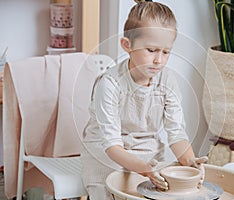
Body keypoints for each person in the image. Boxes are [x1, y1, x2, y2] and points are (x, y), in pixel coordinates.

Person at [81, 1, 208, 199]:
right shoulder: (110, 84)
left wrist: (190, 161)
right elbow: (112, 145)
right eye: (151, 50)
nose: (159, 60)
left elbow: (176, 133)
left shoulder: (168, 81)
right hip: (106, 156)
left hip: (148, 153)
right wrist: (145, 170)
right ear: (127, 45)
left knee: (164, 189)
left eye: (166, 52)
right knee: (110, 191)